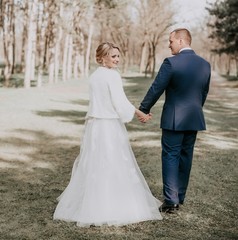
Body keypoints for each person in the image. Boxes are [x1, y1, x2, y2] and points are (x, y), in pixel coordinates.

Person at [53, 42, 162, 227]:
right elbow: (120, 103)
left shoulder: (94, 76)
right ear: (102, 57)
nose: (117, 59)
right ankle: (113, 205)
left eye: (118, 56)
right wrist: (140, 113)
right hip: (109, 125)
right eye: (113, 56)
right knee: (114, 162)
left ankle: (92, 205)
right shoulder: (112, 76)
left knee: (95, 164)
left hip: (94, 125)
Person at [138, 28, 211, 213]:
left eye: (170, 41)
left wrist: (143, 109)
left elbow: (156, 88)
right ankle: (180, 196)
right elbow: (203, 93)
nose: (169, 45)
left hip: (174, 119)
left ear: (180, 41)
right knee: (186, 157)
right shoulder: (205, 64)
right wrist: (194, 110)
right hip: (194, 119)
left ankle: (171, 201)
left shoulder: (171, 62)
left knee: (171, 156)